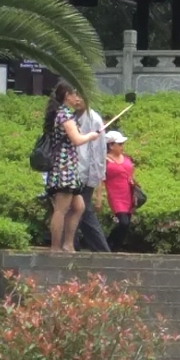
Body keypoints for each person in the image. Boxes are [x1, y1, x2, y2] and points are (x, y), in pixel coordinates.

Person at [42, 82, 102, 252]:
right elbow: (77, 139)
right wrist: (90, 135)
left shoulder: (65, 114)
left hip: (69, 167)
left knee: (79, 207)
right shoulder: (65, 115)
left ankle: (68, 244)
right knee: (61, 209)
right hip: (64, 168)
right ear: (67, 96)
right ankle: (56, 247)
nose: (78, 98)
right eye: (75, 94)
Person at [73, 98, 112, 253]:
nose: (77, 100)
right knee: (79, 211)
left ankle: (102, 250)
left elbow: (98, 151)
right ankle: (75, 246)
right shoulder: (72, 117)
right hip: (74, 173)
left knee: (82, 211)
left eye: (81, 96)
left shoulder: (93, 120)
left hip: (85, 174)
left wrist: (97, 181)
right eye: (74, 95)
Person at [100, 130, 137, 251]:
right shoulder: (105, 160)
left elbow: (131, 171)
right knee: (123, 222)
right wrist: (99, 196)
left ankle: (115, 247)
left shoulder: (125, 158)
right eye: (119, 144)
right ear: (111, 145)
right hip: (115, 195)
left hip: (128, 192)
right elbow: (101, 179)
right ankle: (108, 242)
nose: (122, 147)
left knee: (126, 224)